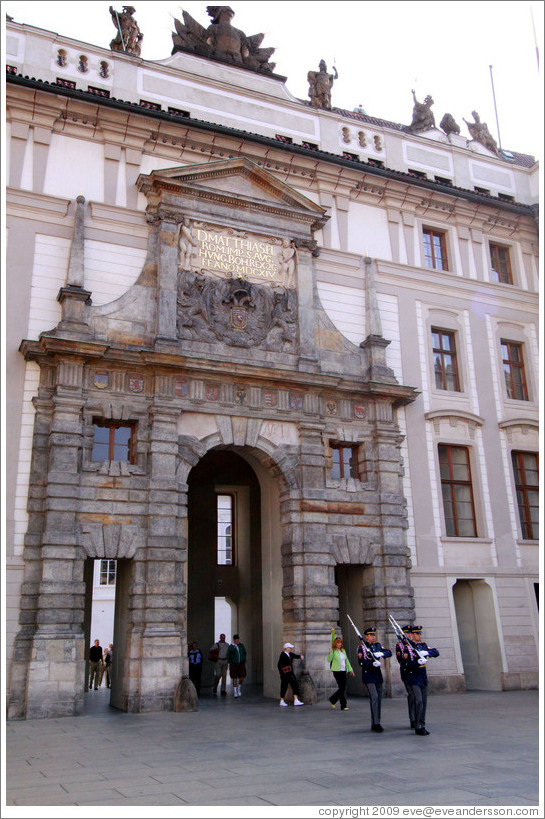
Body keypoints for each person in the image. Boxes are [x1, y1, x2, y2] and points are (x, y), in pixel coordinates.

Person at [398, 624, 440, 736]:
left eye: (420, 633)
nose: (419, 635)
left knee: (424, 702)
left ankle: (422, 724)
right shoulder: (407, 647)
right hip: (413, 676)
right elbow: (405, 663)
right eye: (417, 633)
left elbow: (436, 652)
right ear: (411, 635)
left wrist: (426, 653)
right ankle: (417, 725)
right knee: (419, 700)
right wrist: (417, 662)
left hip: (422, 676)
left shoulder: (423, 645)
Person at [357, 627, 392, 732]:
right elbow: (361, 662)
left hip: (377, 675)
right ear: (366, 636)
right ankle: (376, 723)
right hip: (368, 675)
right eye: (371, 635)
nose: (373, 637)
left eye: (374, 635)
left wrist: (381, 654)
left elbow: (389, 652)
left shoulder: (377, 645)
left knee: (378, 699)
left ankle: (376, 722)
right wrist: (371, 663)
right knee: (375, 697)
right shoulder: (362, 647)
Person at [327, 629, 355, 711]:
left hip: (343, 671)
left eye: (340, 643)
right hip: (337, 671)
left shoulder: (343, 651)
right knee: (342, 688)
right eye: (338, 643)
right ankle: (343, 705)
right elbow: (329, 659)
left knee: (342, 688)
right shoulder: (334, 651)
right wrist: (330, 652)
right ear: (335, 644)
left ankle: (333, 700)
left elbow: (347, 661)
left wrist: (351, 670)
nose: (339, 644)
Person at [395, 625, 416, 728]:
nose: (409, 635)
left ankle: (417, 717)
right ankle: (412, 718)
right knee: (411, 694)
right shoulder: (400, 646)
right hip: (406, 672)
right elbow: (401, 660)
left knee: (417, 696)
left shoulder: (414, 644)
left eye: (409, 633)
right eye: (407, 633)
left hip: (416, 673)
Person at [277, 642, 305, 706]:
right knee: (284, 686)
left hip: (290, 672)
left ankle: (296, 699)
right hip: (285, 674)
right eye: (290, 648)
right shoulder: (283, 655)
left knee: (295, 684)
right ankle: (282, 700)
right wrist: (280, 673)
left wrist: (300, 656)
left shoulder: (290, 654)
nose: (290, 649)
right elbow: (279, 665)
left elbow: (295, 656)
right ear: (286, 648)